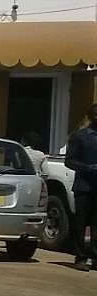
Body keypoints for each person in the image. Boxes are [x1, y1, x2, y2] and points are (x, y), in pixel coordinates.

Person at [65, 104, 97, 271]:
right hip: (84, 186)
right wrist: (88, 168)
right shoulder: (80, 137)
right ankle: (80, 257)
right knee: (81, 223)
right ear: (92, 117)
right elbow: (69, 161)